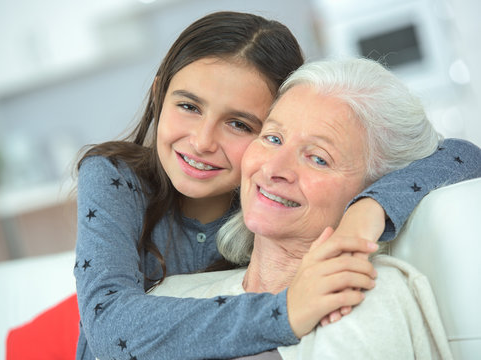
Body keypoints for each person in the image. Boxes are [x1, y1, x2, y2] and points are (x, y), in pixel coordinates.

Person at [74, 11, 481, 360]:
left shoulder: (267, 203)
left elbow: (460, 155)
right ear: (158, 92)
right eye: (188, 106)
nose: (202, 142)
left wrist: (367, 211)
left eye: (240, 124)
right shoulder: (116, 178)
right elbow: (109, 325)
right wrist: (285, 311)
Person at [151, 57, 456, 359]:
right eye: (272, 138)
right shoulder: (167, 296)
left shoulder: (362, 294)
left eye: (318, 158)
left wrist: (369, 210)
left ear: (376, 187)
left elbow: (462, 155)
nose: (274, 168)